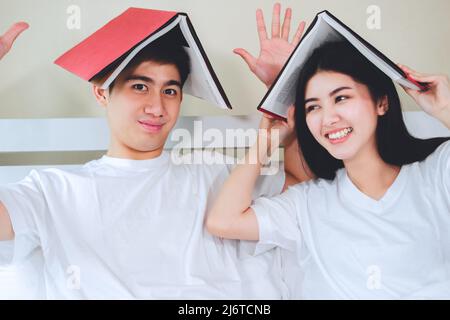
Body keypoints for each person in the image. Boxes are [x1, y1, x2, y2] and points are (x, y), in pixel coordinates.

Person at [0, 4, 306, 299]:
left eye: (170, 91)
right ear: (101, 92)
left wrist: (287, 91)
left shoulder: (218, 174)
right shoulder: (53, 191)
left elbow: (304, 193)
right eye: (140, 87)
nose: (157, 107)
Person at [206, 40, 450, 299]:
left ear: (382, 102)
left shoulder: (436, 172)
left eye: (341, 98)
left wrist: (445, 109)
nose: (328, 118)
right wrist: (266, 142)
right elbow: (223, 221)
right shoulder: (308, 202)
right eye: (313, 107)